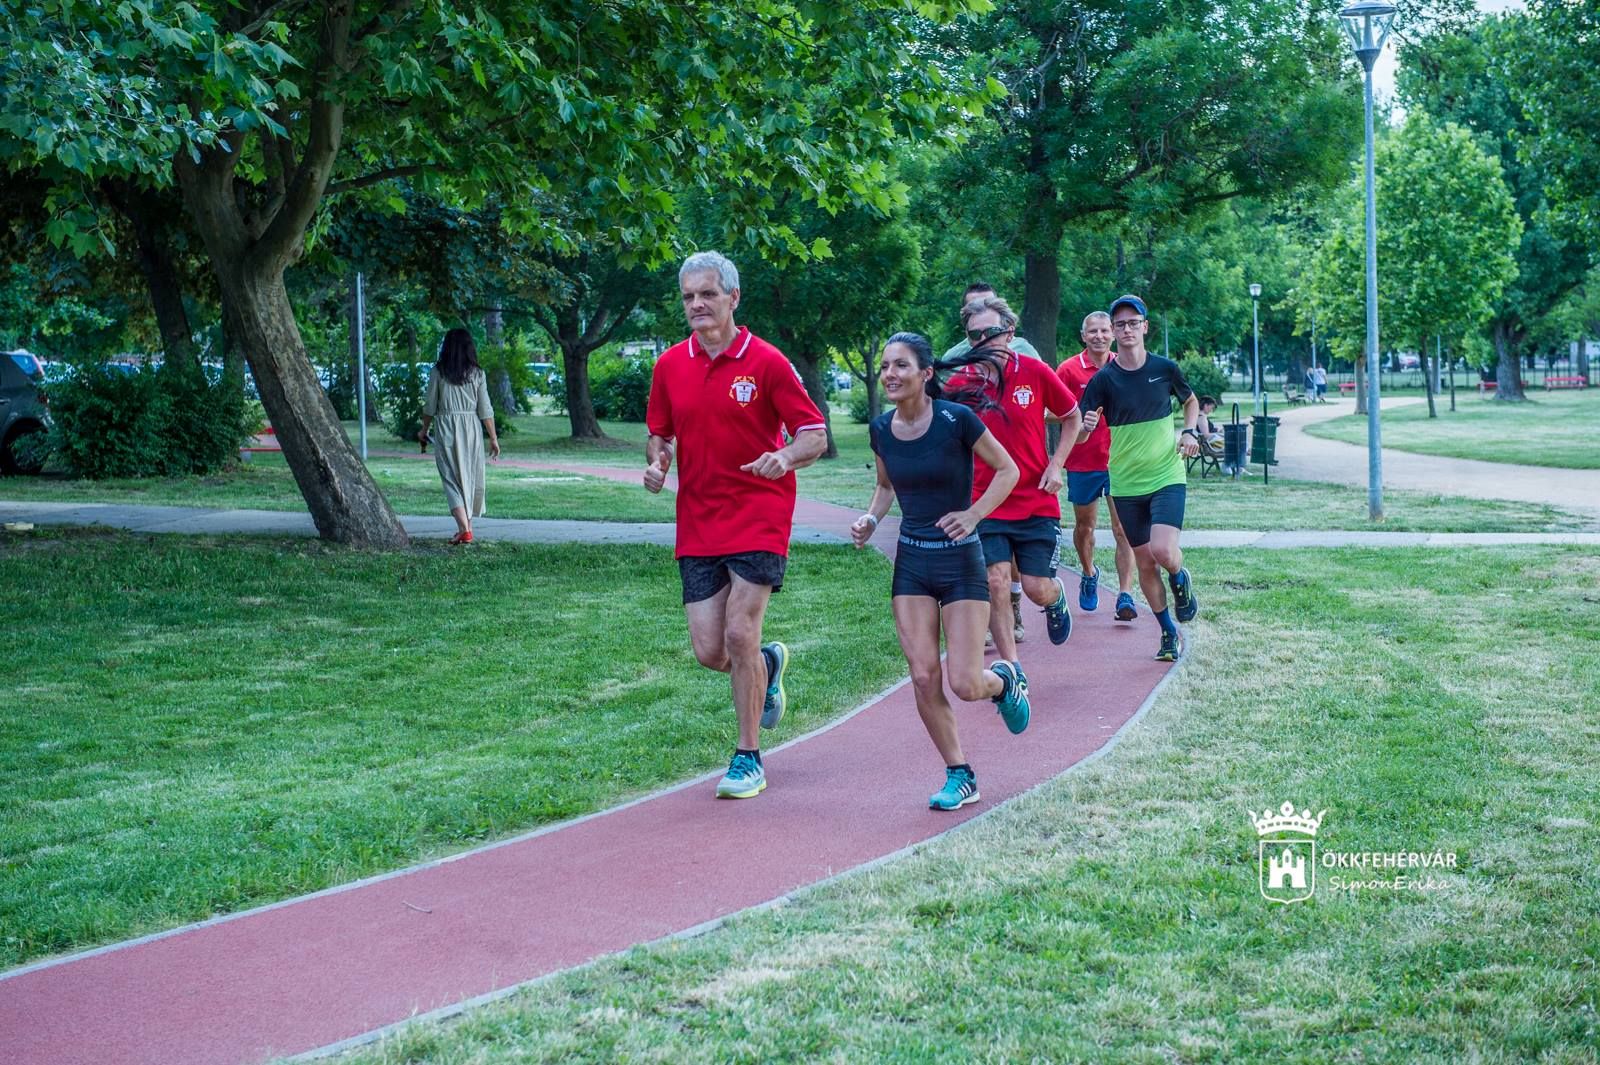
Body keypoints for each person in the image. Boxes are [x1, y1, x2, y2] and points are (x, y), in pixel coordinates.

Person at [643, 251, 828, 800]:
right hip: (698, 520)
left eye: (707, 294)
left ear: (732, 298)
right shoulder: (670, 365)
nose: (697, 305)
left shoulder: (767, 362)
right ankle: (767, 666)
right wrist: (658, 462)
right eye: (688, 297)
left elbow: (814, 433)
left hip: (759, 513)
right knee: (711, 651)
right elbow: (661, 432)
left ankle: (747, 756)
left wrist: (785, 458)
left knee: (740, 632)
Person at [851, 333, 1032, 810]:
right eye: (885, 365)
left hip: (960, 561)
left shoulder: (957, 421)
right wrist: (871, 518)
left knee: (966, 683)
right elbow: (885, 486)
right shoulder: (881, 429)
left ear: (926, 374)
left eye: (901, 366)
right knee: (925, 676)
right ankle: (960, 773)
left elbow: (1008, 470)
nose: (890, 374)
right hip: (912, 560)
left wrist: (973, 514)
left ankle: (1005, 681)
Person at [955, 295, 1083, 678]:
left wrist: (1056, 465)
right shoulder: (962, 382)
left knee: (1035, 588)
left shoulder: (1035, 371)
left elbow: (1071, 417)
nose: (981, 341)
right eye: (972, 335)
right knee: (995, 581)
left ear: (1009, 334)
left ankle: (1056, 598)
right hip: (986, 503)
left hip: (1036, 500)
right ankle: (1012, 670)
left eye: (989, 333)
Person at [1078, 295, 1201, 662]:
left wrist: (1190, 432)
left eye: (1133, 323)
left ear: (1145, 327)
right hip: (1127, 485)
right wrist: (1085, 427)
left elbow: (1190, 401)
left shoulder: (1165, 369)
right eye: (1120, 325)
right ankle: (1167, 632)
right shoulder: (1103, 380)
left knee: (1163, 552)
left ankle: (1180, 578)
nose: (1127, 329)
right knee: (1145, 563)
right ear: (1114, 333)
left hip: (1166, 474)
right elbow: (1080, 429)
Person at [943, 281, 1037, 644]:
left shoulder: (1024, 350)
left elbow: (1040, 399)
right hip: (976, 467)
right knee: (985, 548)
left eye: (987, 308)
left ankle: (1014, 600)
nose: (982, 330)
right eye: (972, 314)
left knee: (1013, 556)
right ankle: (990, 614)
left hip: (1021, 467)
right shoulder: (956, 357)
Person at [1055, 311, 1138, 621]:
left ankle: (1125, 594)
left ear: (1113, 334)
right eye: (1094, 331)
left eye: (1105, 330)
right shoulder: (1068, 370)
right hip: (1083, 460)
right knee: (1084, 528)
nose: (1100, 336)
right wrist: (1077, 418)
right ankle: (1089, 573)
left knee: (1123, 529)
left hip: (1121, 460)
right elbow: (1049, 411)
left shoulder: (1126, 367)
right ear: (1083, 334)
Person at [418, 327, 500, 544]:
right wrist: (493, 437)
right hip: (471, 428)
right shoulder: (477, 373)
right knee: (469, 476)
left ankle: (465, 529)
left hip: (446, 426)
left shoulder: (438, 372)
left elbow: (430, 406)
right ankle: (466, 528)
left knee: (450, 477)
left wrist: (424, 430)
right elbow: (485, 409)